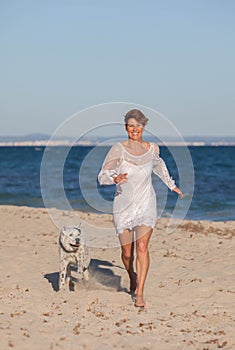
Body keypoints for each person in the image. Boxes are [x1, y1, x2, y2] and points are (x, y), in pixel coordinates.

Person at [98, 109, 183, 308]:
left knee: (142, 247)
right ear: (125, 127)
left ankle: (140, 292)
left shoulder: (152, 149)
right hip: (123, 206)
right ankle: (131, 275)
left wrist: (172, 185)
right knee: (127, 253)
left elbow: (159, 167)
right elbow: (102, 175)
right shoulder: (117, 149)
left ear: (144, 127)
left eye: (138, 126)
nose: (135, 129)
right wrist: (114, 178)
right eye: (131, 126)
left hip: (146, 203)